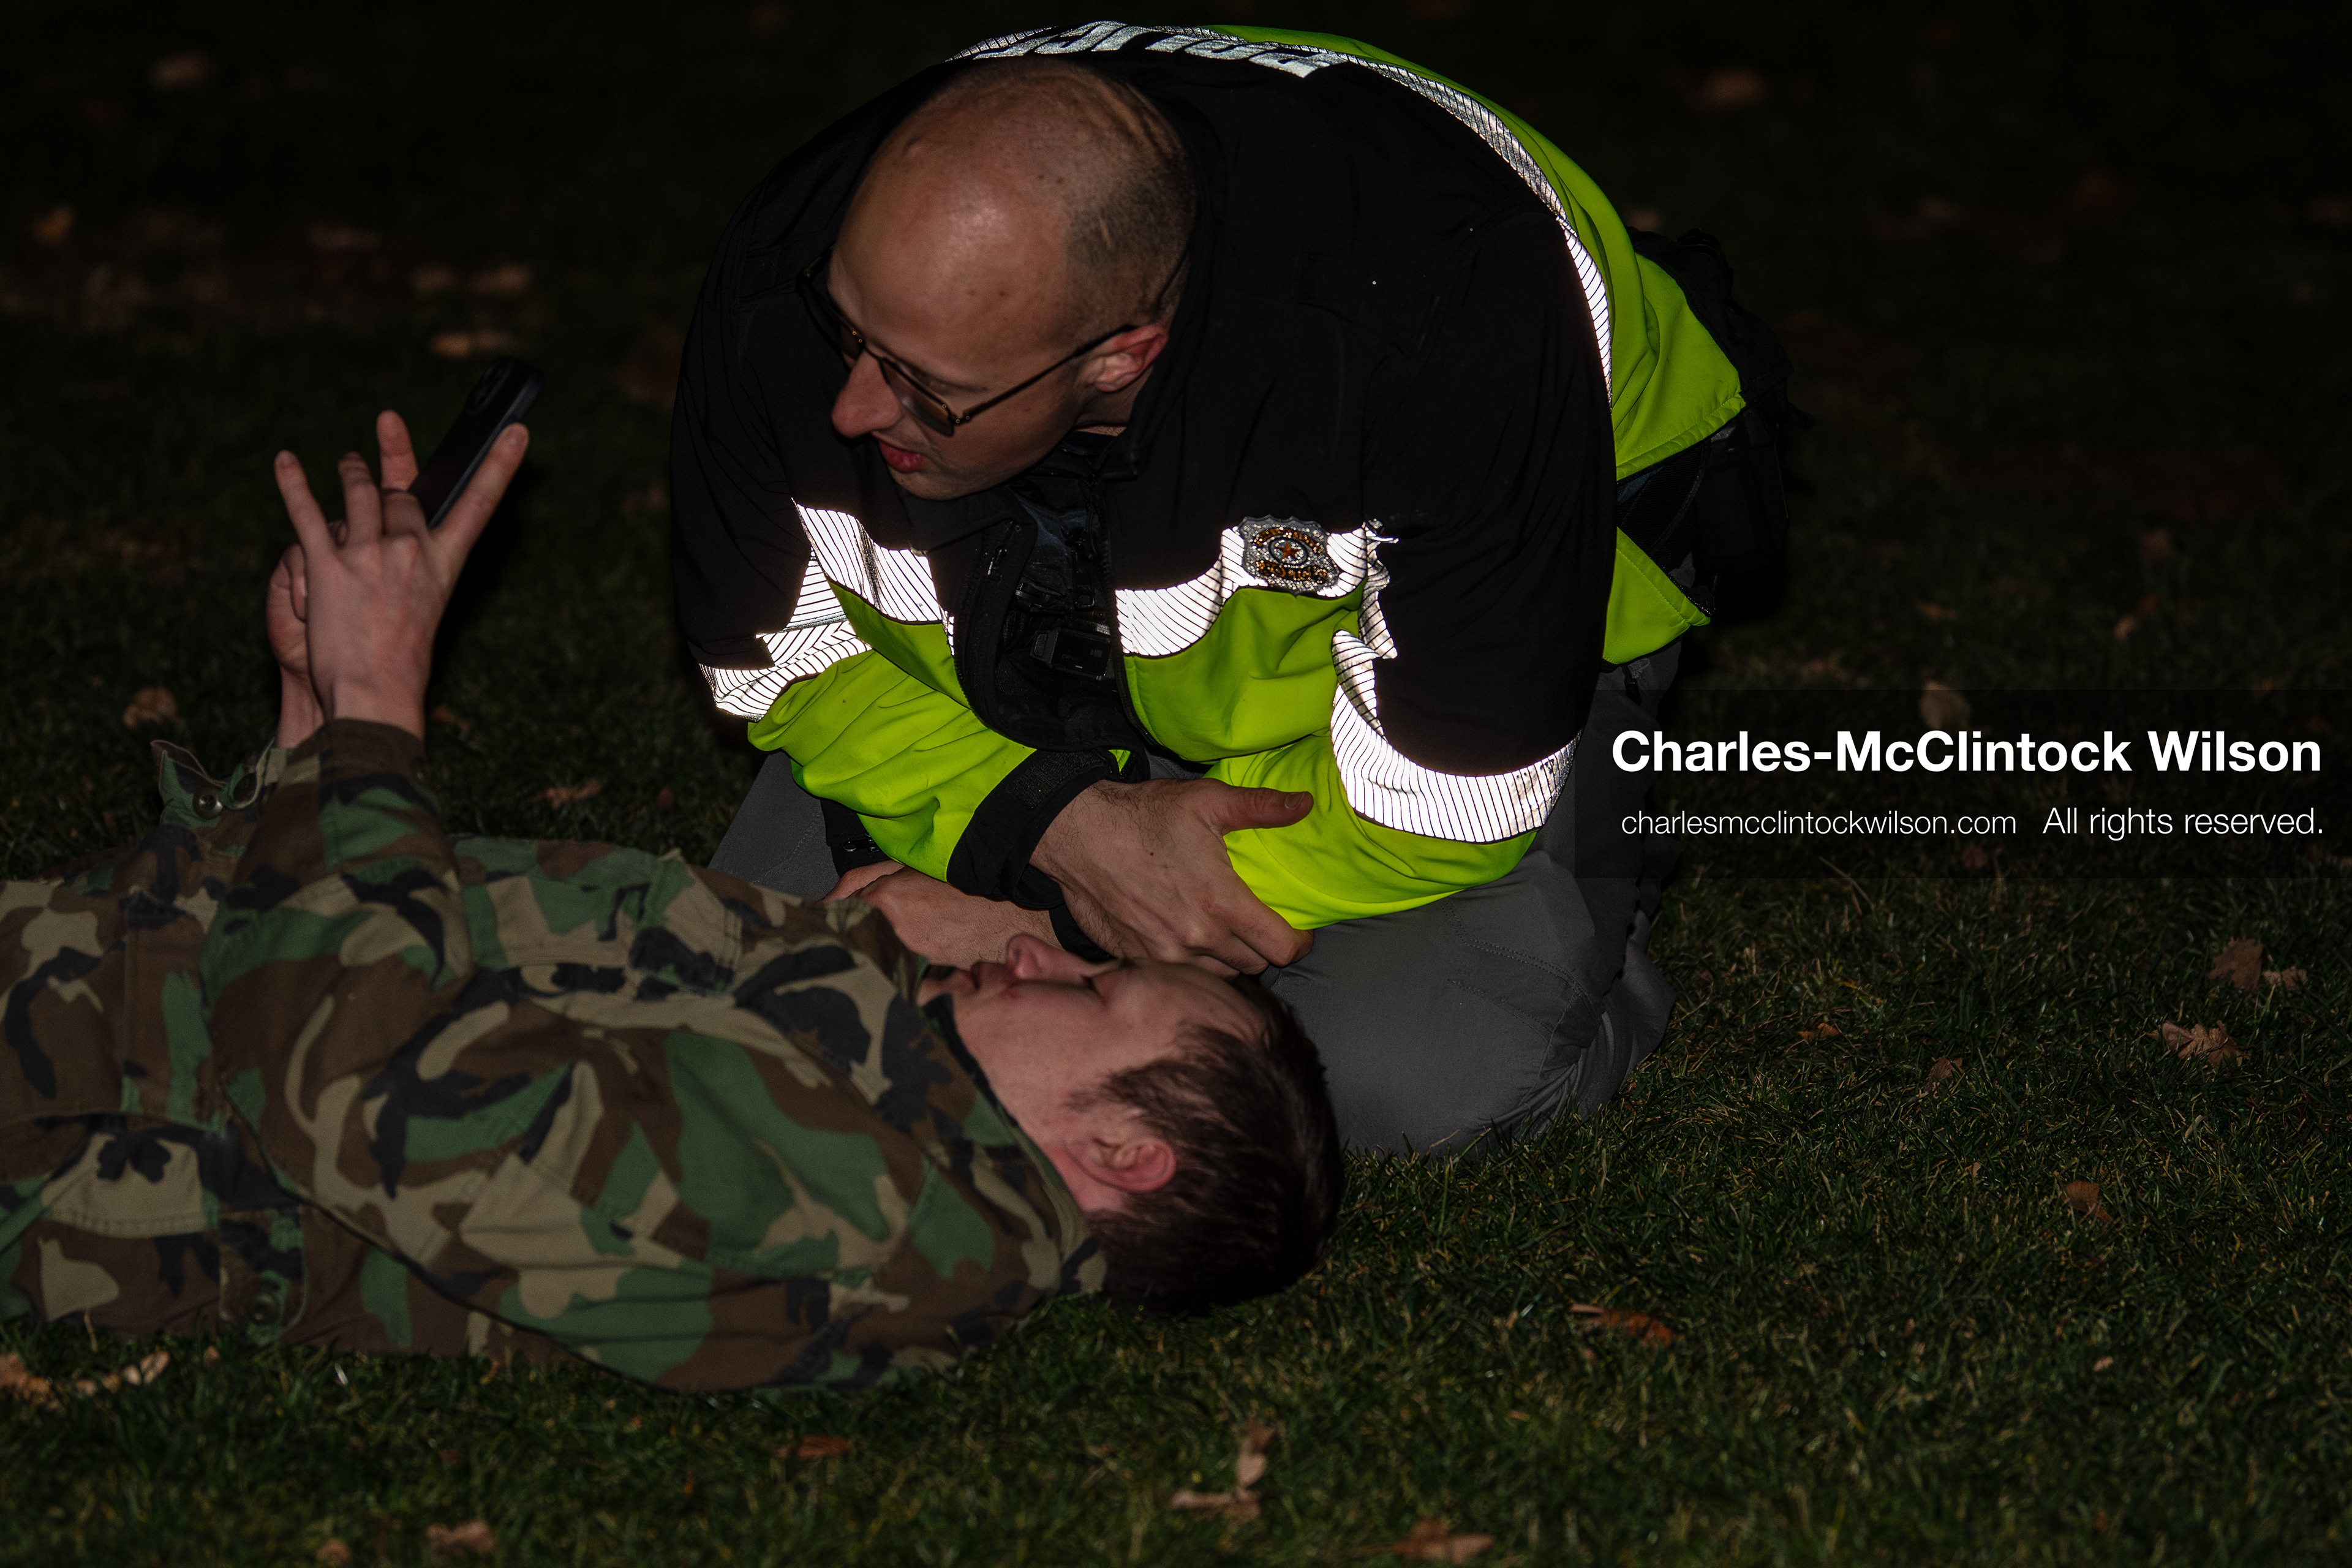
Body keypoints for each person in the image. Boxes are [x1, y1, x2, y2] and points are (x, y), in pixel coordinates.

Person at [0, 414, 1341, 1393]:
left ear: (1123, 1154)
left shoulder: (856, 1209)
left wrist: (374, 717)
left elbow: (361, 1078)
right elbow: (472, 948)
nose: (1044, 960)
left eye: (1096, 992)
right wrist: (311, 736)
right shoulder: (879, 1087)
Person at [673, 24, 1798, 1156]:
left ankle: (1596, 850)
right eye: (851, 331)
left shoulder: (1436, 321)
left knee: (1412, 1075)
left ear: (1122, 355)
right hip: (1010, 703)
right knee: (758, 994)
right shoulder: (795, 264)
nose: (856, 409)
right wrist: (1047, 822)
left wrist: (1037, 914)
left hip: (1414, 721)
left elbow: (1437, 809)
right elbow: (783, 658)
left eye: (927, 387)